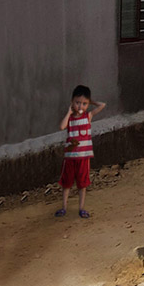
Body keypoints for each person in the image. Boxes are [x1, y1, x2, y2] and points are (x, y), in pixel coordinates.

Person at [56, 86, 106, 218]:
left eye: (84, 103)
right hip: (70, 158)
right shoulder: (70, 119)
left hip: (84, 158)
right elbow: (61, 127)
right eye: (77, 102)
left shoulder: (88, 116)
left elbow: (102, 105)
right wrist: (68, 112)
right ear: (72, 102)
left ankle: (81, 208)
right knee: (67, 183)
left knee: (82, 184)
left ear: (88, 104)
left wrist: (91, 102)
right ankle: (64, 207)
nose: (80, 106)